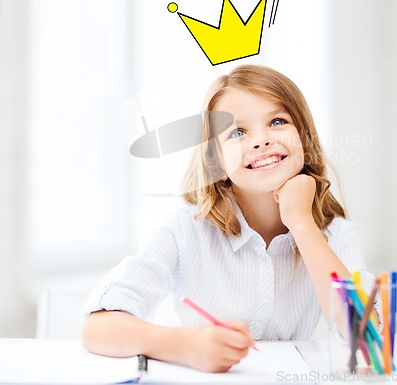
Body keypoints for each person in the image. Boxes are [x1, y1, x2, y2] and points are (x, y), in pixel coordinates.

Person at [82, 64, 379, 373]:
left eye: (277, 121)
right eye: (238, 132)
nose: (261, 140)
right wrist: (186, 346)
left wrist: (302, 225)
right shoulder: (186, 228)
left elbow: (366, 337)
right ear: (217, 161)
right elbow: (97, 329)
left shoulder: (336, 234)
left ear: (304, 140)